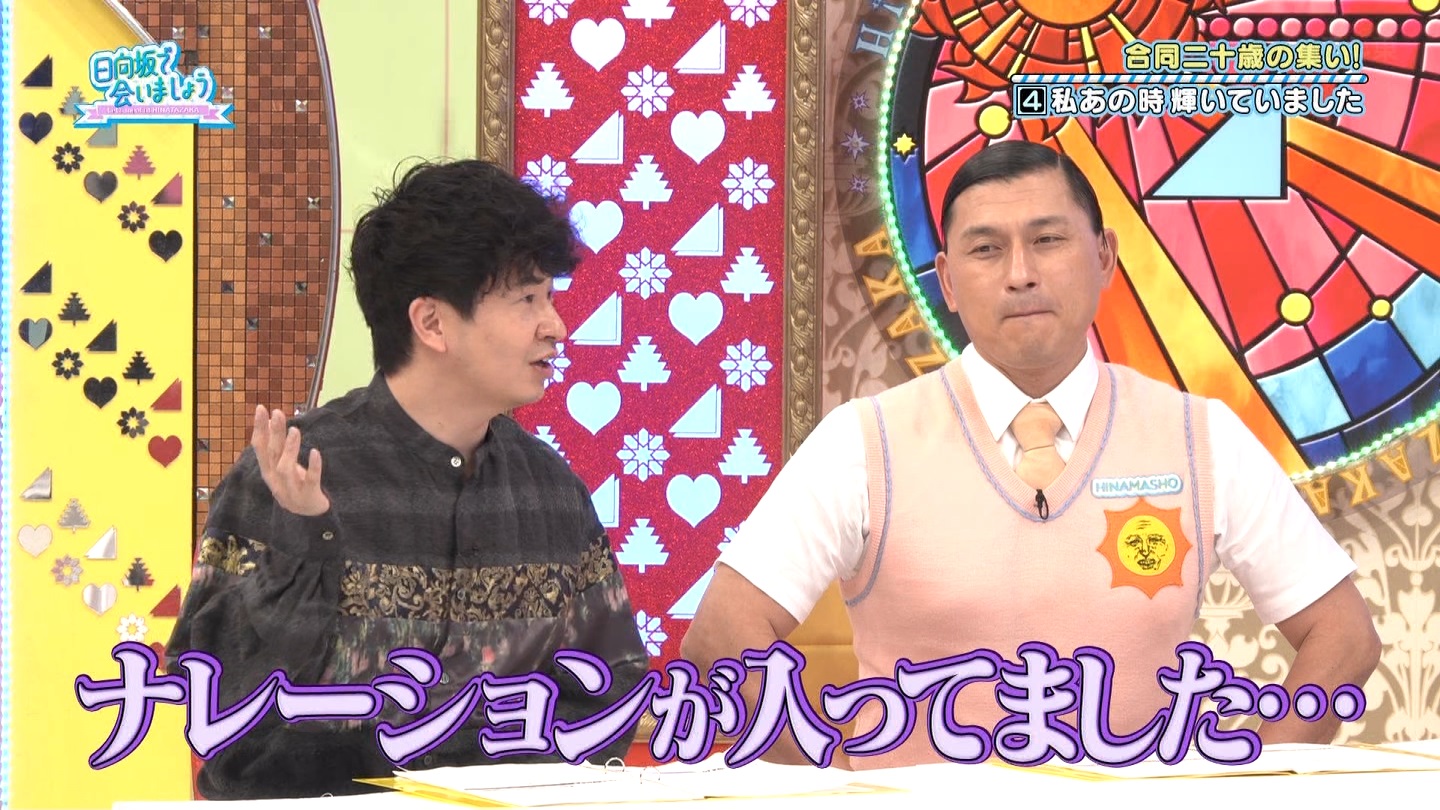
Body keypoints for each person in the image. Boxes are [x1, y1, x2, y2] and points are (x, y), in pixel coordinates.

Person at [680, 141, 1380, 769]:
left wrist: (1252, 782)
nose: (1020, 273)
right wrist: (837, 787)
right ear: (947, 281)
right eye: (986, 250)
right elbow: (719, 636)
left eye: (1047, 240)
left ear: (1104, 256)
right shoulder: (862, 441)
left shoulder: (1202, 436)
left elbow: (1344, 636)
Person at [166, 159, 650, 798]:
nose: (555, 326)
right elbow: (220, 698)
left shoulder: (550, 490)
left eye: (550, 298)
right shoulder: (291, 471)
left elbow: (612, 689)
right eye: (526, 299)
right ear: (432, 323)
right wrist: (306, 547)